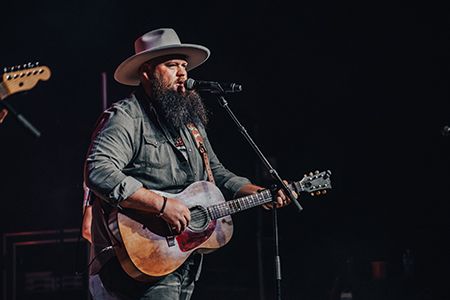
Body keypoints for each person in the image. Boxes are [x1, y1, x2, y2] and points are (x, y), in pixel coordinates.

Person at [83, 28, 293, 300]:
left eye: (184, 66)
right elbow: (98, 169)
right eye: (172, 66)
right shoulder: (127, 117)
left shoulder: (189, 123)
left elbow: (216, 173)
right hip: (141, 254)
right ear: (146, 72)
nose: (183, 73)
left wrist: (258, 192)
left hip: (182, 257)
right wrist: (162, 206)